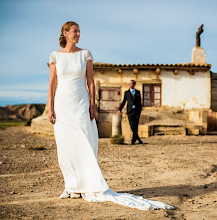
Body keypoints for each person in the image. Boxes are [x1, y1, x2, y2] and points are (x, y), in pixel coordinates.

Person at [47, 21, 174, 210]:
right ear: (65, 33)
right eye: (75, 31)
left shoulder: (85, 55)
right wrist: (50, 107)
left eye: (80, 31)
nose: (79, 34)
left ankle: (86, 184)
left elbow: (90, 82)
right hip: (63, 103)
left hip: (81, 102)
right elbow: (52, 84)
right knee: (65, 144)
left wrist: (92, 105)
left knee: (84, 140)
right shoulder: (55, 56)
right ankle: (71, 185)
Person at [117, 80, 143, 144]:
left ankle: (133, 140)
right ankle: (138, 139)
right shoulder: (126, 93)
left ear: (134, 84)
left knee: (136, 126)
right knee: (132, 125)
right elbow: (124, 102)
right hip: (130, 111)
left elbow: (139, 101)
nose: (130, 85)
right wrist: (120, 109)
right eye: (129, 84)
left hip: (137, 111)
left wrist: (140, 109)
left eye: (131, 83)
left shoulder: (138, 92)